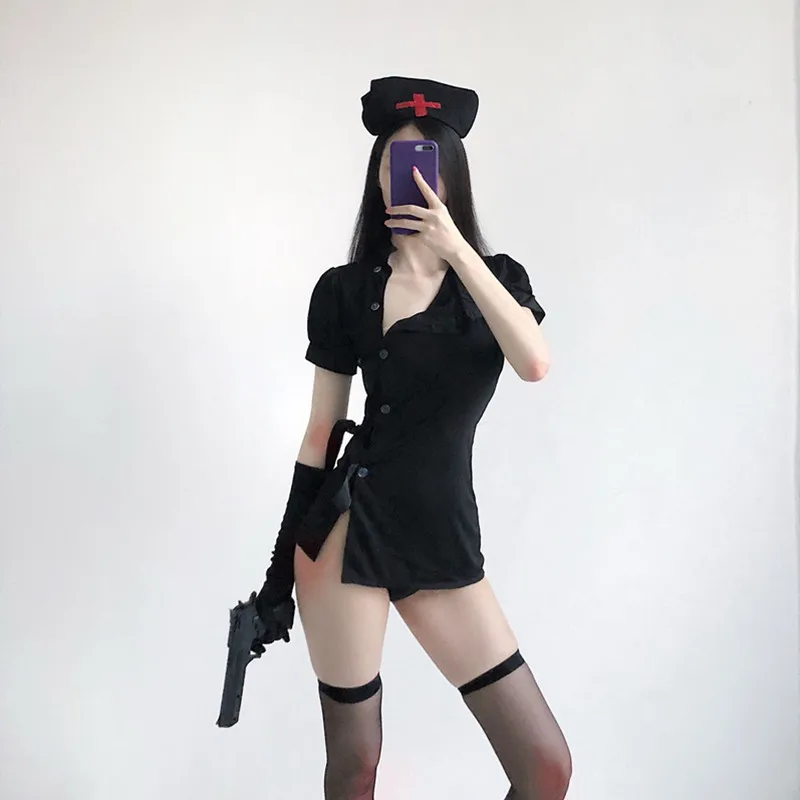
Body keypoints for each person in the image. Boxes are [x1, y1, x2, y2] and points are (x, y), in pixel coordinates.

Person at [252, 76, 572, 800]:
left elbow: (534, 363)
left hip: (439, 538)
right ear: (377, 178)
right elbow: (319, 436)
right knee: (356, 763)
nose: (408, 178)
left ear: (450, 175)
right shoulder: (344, 290)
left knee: (544, 765)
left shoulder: (496, 281)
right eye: (392, 162)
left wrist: (456, 250)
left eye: (423, 162)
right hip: (344, 536)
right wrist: (276, 577)